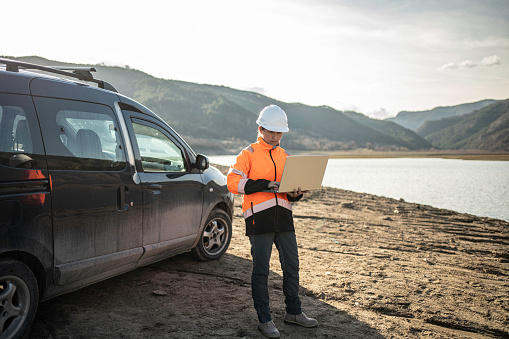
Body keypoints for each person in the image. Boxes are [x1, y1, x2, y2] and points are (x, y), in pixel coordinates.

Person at [227, 105, 318, 338]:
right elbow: (232, 182)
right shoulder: (247, 153)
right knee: (261, 271)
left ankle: (294, 312)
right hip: (259, 219)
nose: (276, 137)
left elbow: (288, 194)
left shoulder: (285, 156)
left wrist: (297, 193)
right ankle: (265, 319)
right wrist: (265, 184)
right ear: (260, 129)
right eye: (272, 132)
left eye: (280, 133)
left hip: (284, 218)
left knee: (292, 265)